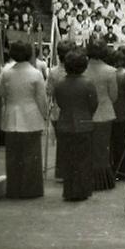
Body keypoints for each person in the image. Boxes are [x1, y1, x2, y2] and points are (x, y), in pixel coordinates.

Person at [0, 41, 47, 199]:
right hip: (31, 115)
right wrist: (44, 115)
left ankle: (14, 188)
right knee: (31, 155)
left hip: (11, 114)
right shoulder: (36, 73)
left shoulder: (6, 72)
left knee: (13, 156)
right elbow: (41, 99)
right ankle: (30, 190)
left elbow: (1, 92)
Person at [53, 50, 97, 202]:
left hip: (64, 123)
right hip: (84, 123)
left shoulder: (59, 84)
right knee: (83, 159)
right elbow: (93, 104)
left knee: (68, 159)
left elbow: (59, 102)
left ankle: (69, 190)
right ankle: (82, 190)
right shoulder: (88, 83)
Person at [84, 39, 118, 191]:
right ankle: (102, 181)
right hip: (104, 112)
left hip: (85, 113)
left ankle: (87, 179)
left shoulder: (81, 69)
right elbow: (114, 96)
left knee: (87, 148)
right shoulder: (110, 71)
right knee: (103, 149)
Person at [45, 39, 74, 180]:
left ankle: (61, 172)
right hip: (69, 112)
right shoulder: (77, 71)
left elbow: (49, 92)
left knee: (62, 144)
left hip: (58, 112)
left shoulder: (53, 73)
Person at [110, 47, 125, 180]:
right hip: (122, 112)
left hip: (111, 111)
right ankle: (123, 170)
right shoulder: (124, 76)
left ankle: (114, 168)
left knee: (112, 142)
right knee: (123, 142)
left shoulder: (111, 74)